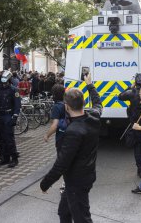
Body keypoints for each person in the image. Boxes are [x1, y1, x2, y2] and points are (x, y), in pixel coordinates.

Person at [40, 73, 102, 223]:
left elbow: (62, 163)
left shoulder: (73, 131)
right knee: (64, 213)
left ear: (67, 107)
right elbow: (98, 103)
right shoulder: (94, 116)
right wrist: (90, 84)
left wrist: (45, 183)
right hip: (84, 175)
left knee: (82, 218)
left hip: (77, 181)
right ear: (82, 103)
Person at [118, 73, 141, 178]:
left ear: (136, 82)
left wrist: (129, 87)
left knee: (138, 147)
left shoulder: (132, 93)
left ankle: (140, 170)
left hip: (136, 125)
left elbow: (120, 96)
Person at [0, 71, 21, 168]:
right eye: (3, 82)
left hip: (9, 116)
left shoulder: (14, 90)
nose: (4, 84)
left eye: (5, 82)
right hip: (0, 116)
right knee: (1, 139)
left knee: (9, 138)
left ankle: (14, 158)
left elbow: (17, 105)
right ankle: (5, 158)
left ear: (9, 80)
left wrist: (15, 117)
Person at [44, 84, 66, 153]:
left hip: (61, 136)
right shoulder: (67, 104)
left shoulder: (56, 107)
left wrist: (47, 135)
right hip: (70, 134)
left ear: (54, 94)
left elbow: (55, 125)